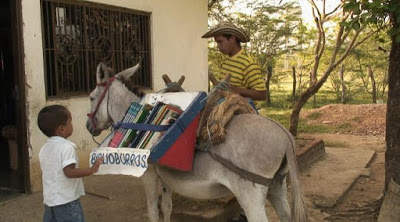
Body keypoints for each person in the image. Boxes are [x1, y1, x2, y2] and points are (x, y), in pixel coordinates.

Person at [37, 104, 103, 222]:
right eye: (70, 122)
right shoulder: (66, 147)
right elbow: (69, 171)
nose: (72, 125)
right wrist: (92, 169)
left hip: (50, 201)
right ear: (62, 129)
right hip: (66, 200)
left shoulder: (44, 148)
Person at [202, 21, 267, 101]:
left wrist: (237, 90)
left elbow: (262, 94)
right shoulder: (225, 61)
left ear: (232, 39)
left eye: (220, 42)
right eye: (217, 43)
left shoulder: (248, 63)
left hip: (242, 111)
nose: (218, 46)